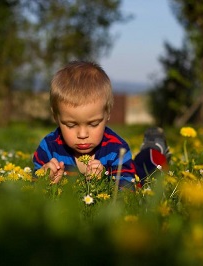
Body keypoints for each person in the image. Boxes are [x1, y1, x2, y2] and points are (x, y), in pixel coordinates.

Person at [33, 60, 170, 188]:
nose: (82, 134)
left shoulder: (117, 150)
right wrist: (43, 179)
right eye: (71, 125)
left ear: (107, 114)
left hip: (139, 174)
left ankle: (153, 148)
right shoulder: (48, 148)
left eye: (93, 124)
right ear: (56, 117)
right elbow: (30, 186)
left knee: (148, 173)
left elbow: (127, 191)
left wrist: (104, 182)